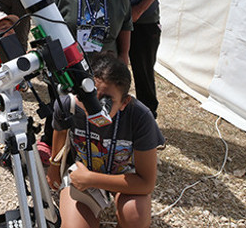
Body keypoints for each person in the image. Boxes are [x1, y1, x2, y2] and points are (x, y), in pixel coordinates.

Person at [46, 53, 164, 228]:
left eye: (107, 102)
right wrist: (54, 166)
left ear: (124, 102)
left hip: (123, 177)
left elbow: (146, 184)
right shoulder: (69, 104)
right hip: (83, 173)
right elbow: (61, 131)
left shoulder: (140, 117)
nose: (95, 107)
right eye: (91, 95)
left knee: (134, 217)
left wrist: (91, 179)